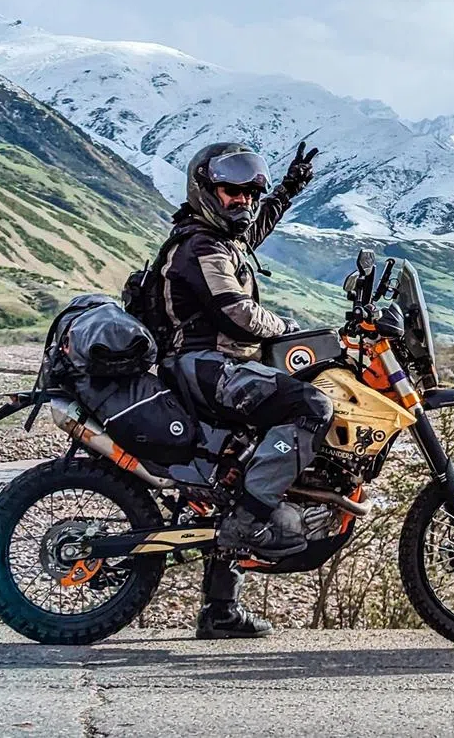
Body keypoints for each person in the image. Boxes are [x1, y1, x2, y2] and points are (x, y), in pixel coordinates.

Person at [157, 140, 334, 640]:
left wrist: (290, 187)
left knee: (238, 470)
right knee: (313, 404)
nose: (242, 201)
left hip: (213, 367)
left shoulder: (224, 238)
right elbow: (235, 311)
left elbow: (256, 227)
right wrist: (290, 327)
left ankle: (219, 612)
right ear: (205, 189)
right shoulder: (201, 246)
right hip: (204, 366)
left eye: (248, 194)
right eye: (231, 191)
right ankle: (254, 517)